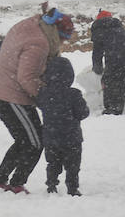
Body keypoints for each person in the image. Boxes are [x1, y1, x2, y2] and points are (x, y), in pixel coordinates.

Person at [0, 5, 73, 194]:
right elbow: (27, 77)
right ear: (56, 32)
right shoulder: (39, 44)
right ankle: (16, 184)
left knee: (24, 139)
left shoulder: (32, 24)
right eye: (63, 38)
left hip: (0, 89)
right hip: (9, 95)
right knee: (35, 142)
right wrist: (45, 100)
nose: (62, 43)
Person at [35, 55, 88, 196]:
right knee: (73, 166)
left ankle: (51, 184)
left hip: (51, 137)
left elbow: (39, 104)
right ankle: (72, 187)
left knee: (52, 163)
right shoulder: (74, 94)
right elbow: (83, 113)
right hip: (72, 138)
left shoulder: (43, 94)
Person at [90, 9, 125, 115]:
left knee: (107, 81)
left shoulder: (98, 27)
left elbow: (97, 52)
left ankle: (112, 109)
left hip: (116, 55)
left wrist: (97, 67)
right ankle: (117, 107)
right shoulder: (116, 26)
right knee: (120, 81)